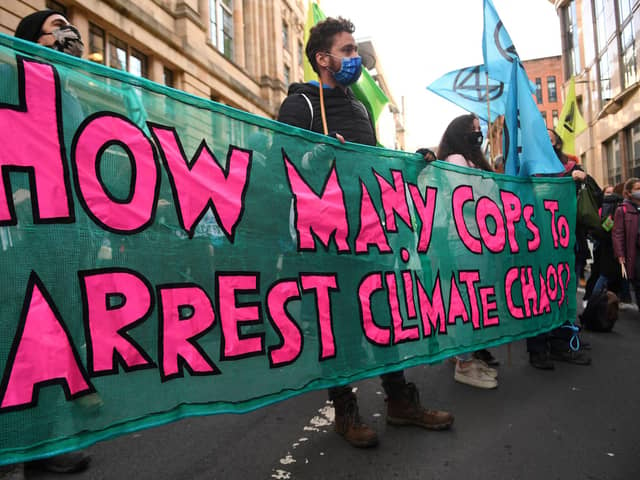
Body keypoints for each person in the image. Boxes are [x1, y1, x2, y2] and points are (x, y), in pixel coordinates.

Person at [277, 16, 453, 448]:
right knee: (341, 331)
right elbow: (277, 165)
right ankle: (345, 410)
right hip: (324, 243)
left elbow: (373, 165)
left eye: (356, 50)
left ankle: (399, 402)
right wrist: (316, 156)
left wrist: (412, 162)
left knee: (385, 320)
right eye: (348, 50)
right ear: (323, 59)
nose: (356, 58)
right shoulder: (301, 105)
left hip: (369, 237)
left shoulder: (358, 108)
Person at [0, 10, 90, 480]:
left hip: (65, 235)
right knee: (14, 342)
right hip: (19, 238)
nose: (67, 34)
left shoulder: (71, 96)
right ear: (28, 41)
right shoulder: (7, 81)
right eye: (55, 27)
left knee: (53, 341)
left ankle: (37, 445)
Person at [436, 114, 499, 389]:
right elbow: (471, 199)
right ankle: (463, 363)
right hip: (464, 240)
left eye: (479, 129)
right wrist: (487, 187)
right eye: (473, 130)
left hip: (478, 239)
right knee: (468, 301)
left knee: (472, 300)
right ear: (460, 133)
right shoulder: (456, 161)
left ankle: (464, 355)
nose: (478, 133)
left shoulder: (472, 161)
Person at [527, 129, 594, 369]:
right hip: (540, 243)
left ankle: (562, 342)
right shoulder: (530, 166)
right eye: (541, 134)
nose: (546, 137)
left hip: (568, 241)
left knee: (565, 296)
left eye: (550, 134)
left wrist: (577, 177)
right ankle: (537, 349)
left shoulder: (570, 165)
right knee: (540, 297)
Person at [612, 178, 640, 310]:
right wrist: (620, 254)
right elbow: (617, 234)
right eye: (637, 189)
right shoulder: (622, 210)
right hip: (634, 254)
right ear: (628, 193)